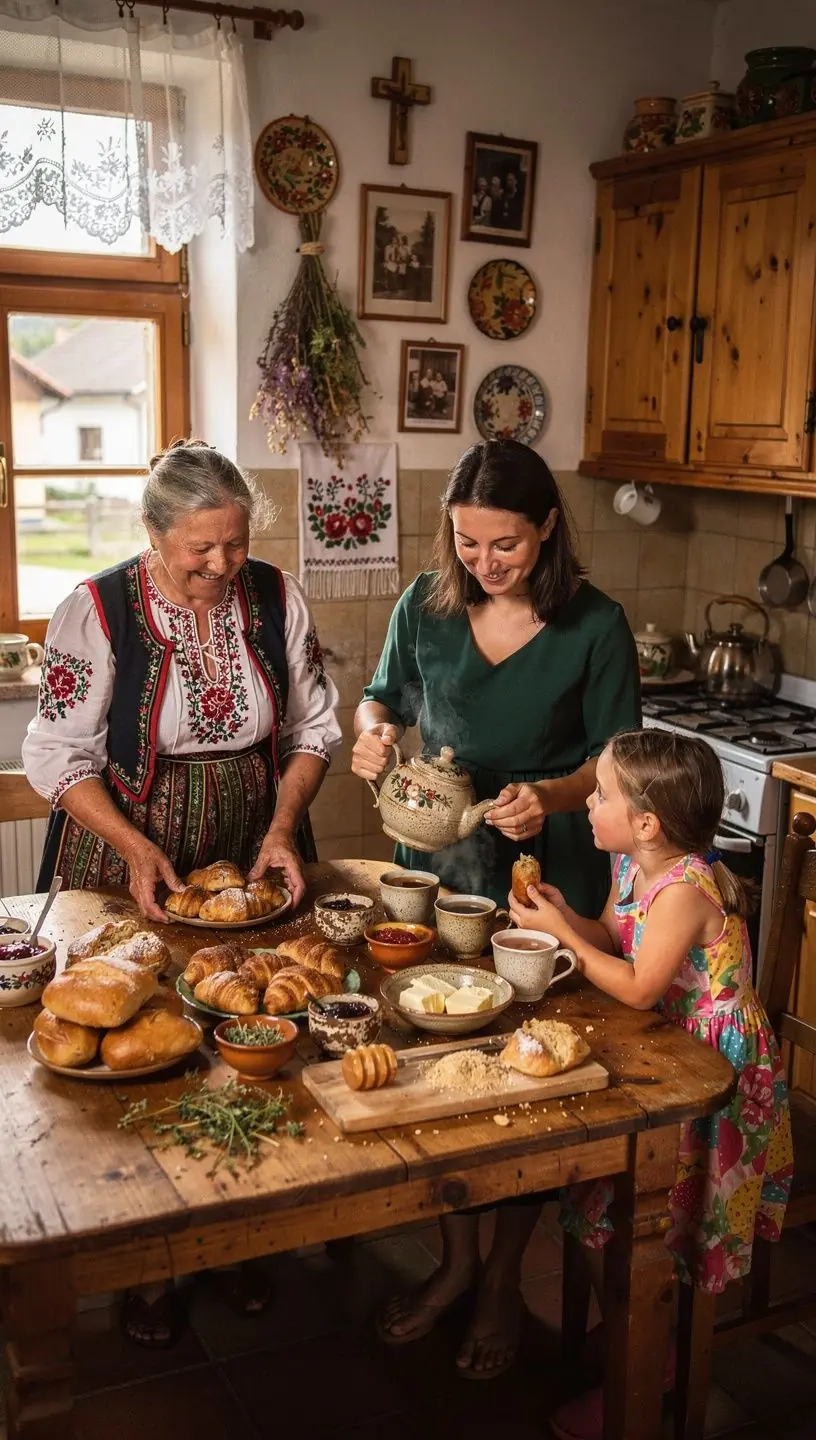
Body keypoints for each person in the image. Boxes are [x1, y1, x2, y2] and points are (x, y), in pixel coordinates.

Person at [24, 438, 341, 1342]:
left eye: (236, 543)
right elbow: (57, 754)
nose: (222, 564)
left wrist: (282, 826)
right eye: (201, 547)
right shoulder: (96, 609)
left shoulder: (277, 595)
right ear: (153, 533)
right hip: (129, 847)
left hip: (253, 842)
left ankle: (243, 1233)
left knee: (254, 1035)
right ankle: (145, 1258)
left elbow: (314, 729)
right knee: (140, 1049)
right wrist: (132, 846)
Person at [351, 438, 640, 1378]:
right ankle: (457, 1262)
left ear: (548, 526)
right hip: (440, 858)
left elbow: (614, 758)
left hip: (542, 873)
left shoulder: (596, 624)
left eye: (505, 544)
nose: (484, 562)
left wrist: (549, 797)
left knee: (529, 1074)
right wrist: (372, 735)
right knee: (446, 1057)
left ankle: (503, 1278)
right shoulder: (426, 604)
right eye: (468, 543)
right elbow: (380, 700)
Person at [507, 730, 793, 1440]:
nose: (588, 802)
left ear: (646, 823)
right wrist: (568, 919)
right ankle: (634, 1322)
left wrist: (562, 938)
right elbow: (612, 937)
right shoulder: (632, 866)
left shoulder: (686, 890)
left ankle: (649, 1358)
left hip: (715, 1076)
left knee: (645, 1220)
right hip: (669, 1055)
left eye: (600, 794)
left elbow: (637, 987)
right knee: (604, 1206)